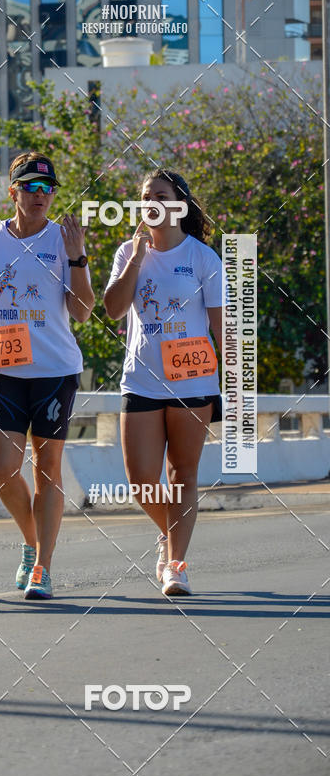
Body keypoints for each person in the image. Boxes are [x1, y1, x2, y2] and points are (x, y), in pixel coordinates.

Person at [0, 152, 94, 599]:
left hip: (55, 370)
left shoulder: (64, 239)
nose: (40, 195)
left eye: (47, 188)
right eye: (30, 187)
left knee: (46, 469)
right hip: (7, 370)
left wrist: (78, 257)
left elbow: (83, 311)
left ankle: (43, 568)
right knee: (2, 470)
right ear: (13, 192)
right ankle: (32, 542)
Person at [104, 168, 223, 596]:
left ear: (179, 204)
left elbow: (223, 329)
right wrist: (137, 258)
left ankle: (176, 565)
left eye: (160, 195)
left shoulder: (203, 258)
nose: (151, 202)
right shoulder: (128, 252)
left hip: (193, 380)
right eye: (145, 196)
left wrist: (235, 389)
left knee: (183, 474)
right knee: (141, 479)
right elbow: (114, 309)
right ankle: (168, 535)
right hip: (142, 380)